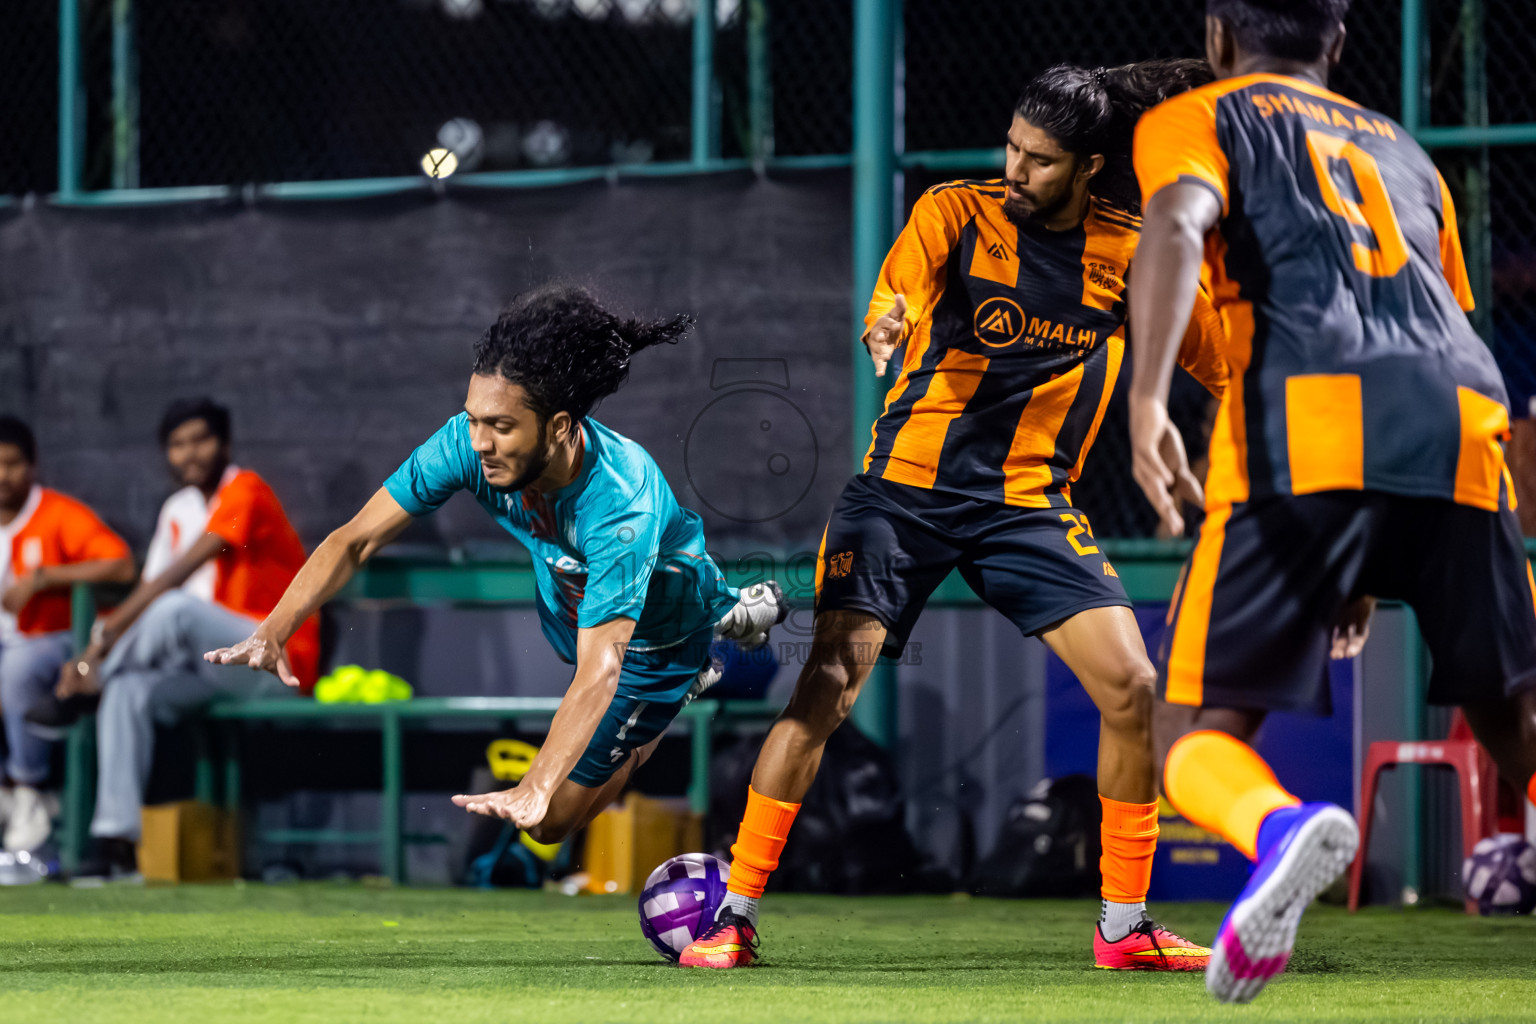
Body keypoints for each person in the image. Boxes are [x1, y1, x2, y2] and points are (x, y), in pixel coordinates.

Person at [680, 61, 1228, 972]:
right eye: (1012, 147)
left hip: (1028, 507)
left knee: (1133, 688)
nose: (1016, 169)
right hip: (900, 495)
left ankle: (1124, 928)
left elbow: (1224, 363)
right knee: (825, 688)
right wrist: (887, 325)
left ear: (1091, 167)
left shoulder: (1132, 249)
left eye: (1040, 160)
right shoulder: (956, 212)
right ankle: (733, 916)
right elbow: (896, 291)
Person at [1129, 0, 1536, 1004]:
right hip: (1463, 419)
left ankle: (1280, 831)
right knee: (1512, 710)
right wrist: (1361, 563)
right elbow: (1436, 311)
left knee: (1191, 732)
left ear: (1218, 35)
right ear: (1339, 43)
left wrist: (1147, 399)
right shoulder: (1406, 150)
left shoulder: (1201, 114)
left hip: (1308, 426)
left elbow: (1177, 222)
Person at [206, 286, 785, 847]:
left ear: (560, 427)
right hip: (580, 607)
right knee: (597, 630)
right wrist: (274, 629)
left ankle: (692, 671)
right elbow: (354, 541)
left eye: (501, 427)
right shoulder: (469, 443)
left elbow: (602, 668)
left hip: (655, 643)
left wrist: (537, 783)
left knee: (549, 822)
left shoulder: (621, 503)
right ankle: (732, 612)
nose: (479, 441)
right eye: (474, 419)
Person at [39, 398, 320, 876]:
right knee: (127, 691)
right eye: (178, 444)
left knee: (174, 609)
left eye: (201, 440)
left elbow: (177, 575)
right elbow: (149, 590)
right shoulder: (177, 508)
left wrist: (95, 653)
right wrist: (97, 647)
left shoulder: (246, 490)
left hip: (275, 663)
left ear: (224, 445)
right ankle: (115, 844)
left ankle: (91, 682)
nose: (190, 453)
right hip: (208, 667)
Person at [0, 416, 135, 852]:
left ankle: (29, 790)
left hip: (53, 641)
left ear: (32, 465)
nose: (3, 475)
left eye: (12, 463)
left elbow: (121, 565)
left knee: (17, 668)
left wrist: (44, 577)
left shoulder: (57, 513)